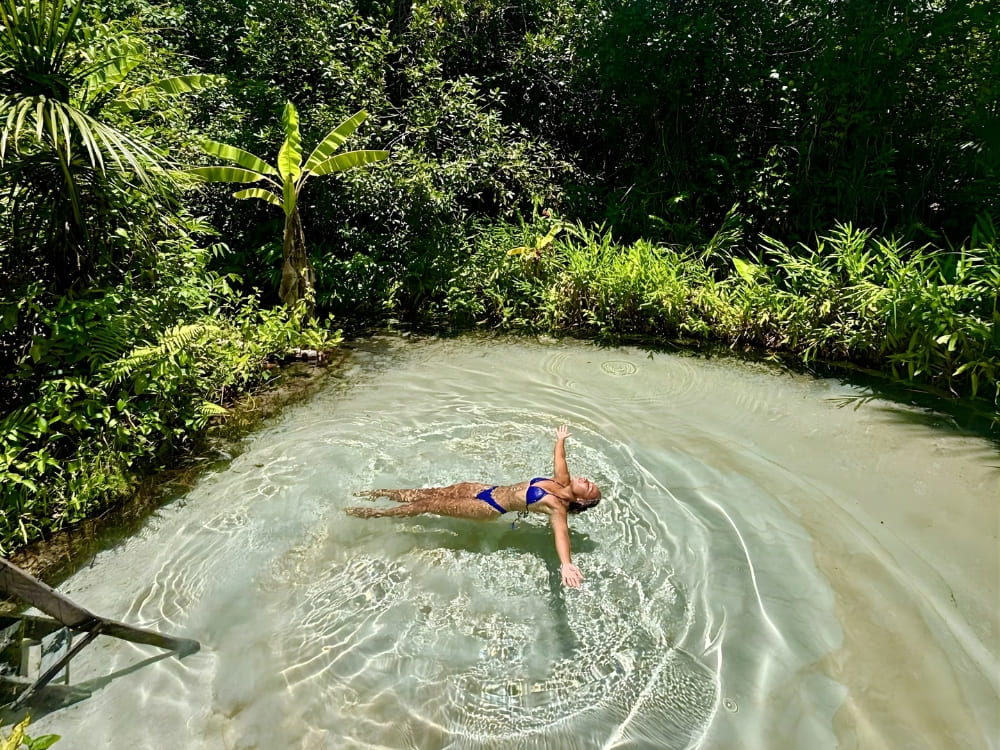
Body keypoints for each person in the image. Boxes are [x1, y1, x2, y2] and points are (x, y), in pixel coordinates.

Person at [346, 425, 602, 587]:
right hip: (485, 489)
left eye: (589, 487)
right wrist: (560, 439)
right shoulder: (562, 480)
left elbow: (561, 535)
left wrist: (566, 564)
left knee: (428, 504)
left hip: (488, 508)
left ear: (579, 501)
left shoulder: (557, 508)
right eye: (591, 481)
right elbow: (561, 456)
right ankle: (379, 494)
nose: (588, 480)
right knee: (431, 493)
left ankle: (376, 513)